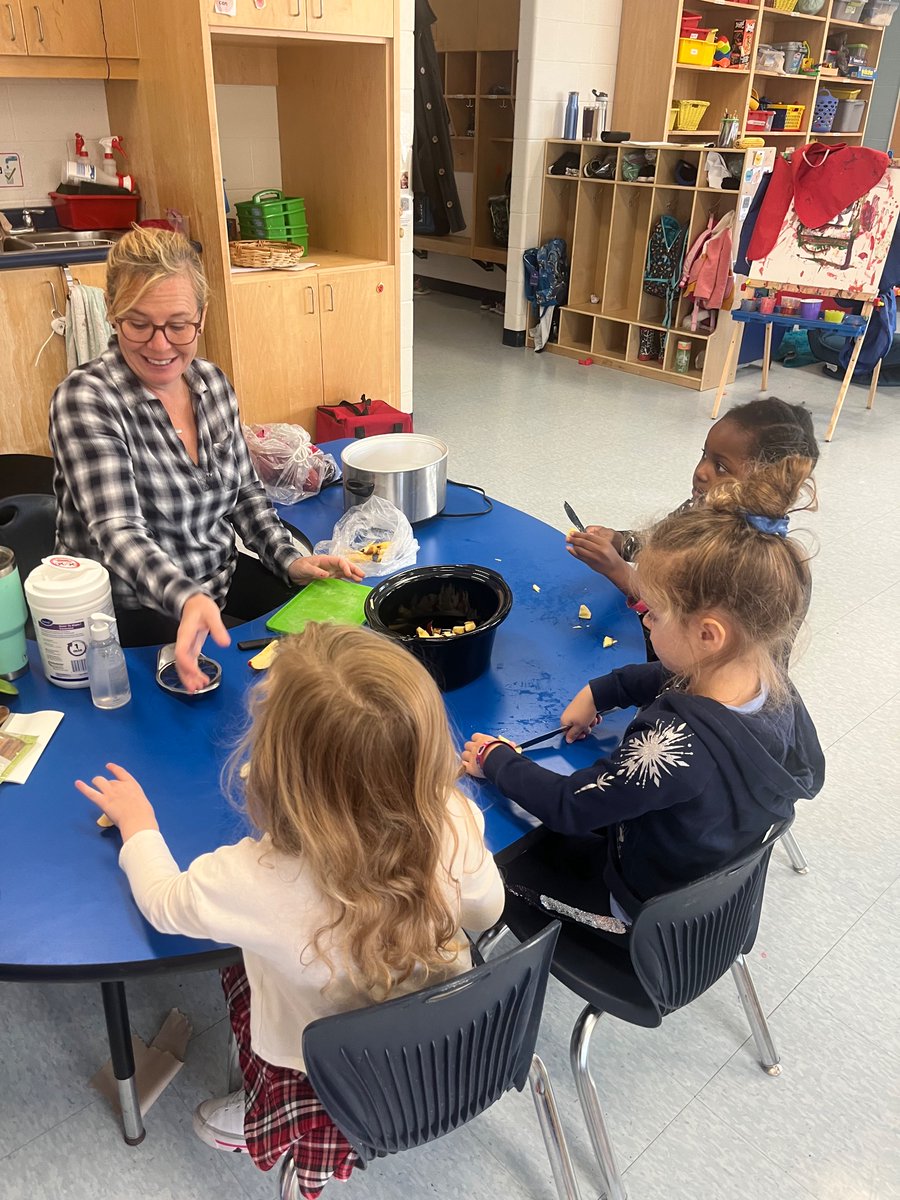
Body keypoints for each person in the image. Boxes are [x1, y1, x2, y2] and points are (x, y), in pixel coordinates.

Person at [75, 622, 505, 1193]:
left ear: (278, 772)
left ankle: (269, 1113)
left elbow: (164, 903)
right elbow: (486, 914)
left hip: (320, 1072)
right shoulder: (454, 815)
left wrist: (139, 825)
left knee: (237, 969)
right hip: (446, 1044)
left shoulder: (251, 876)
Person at [462, 458, 825, 932]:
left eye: (652, 612)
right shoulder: (767, 682)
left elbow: (571, 806)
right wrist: (602, 691)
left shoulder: (672, 746)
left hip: (641, 912)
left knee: (491, 871)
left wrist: (496, 760)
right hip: (707, 877)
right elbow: (675, 676)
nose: (645, 619)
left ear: (708, 634)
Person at [49, 226, 363, 692]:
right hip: (132, 607)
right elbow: (118, 533)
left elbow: (246, 495)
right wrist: (187, 598)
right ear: (113, 314)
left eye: (178, 325)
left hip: (218, 578)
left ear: (202, 315)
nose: (160, 346)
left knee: (330, 646)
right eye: (139, 324)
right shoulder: (86, 399)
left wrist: (288, 559)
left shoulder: (212, 385)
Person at [566, 397, 820, 599]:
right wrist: (619, 541)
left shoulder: (744, 557)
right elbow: (657, 543)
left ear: (765, 483)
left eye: (720, 467)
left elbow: (680, 620)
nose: (701, 471)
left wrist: (618, 571)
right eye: (704, 455)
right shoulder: (699, 507)